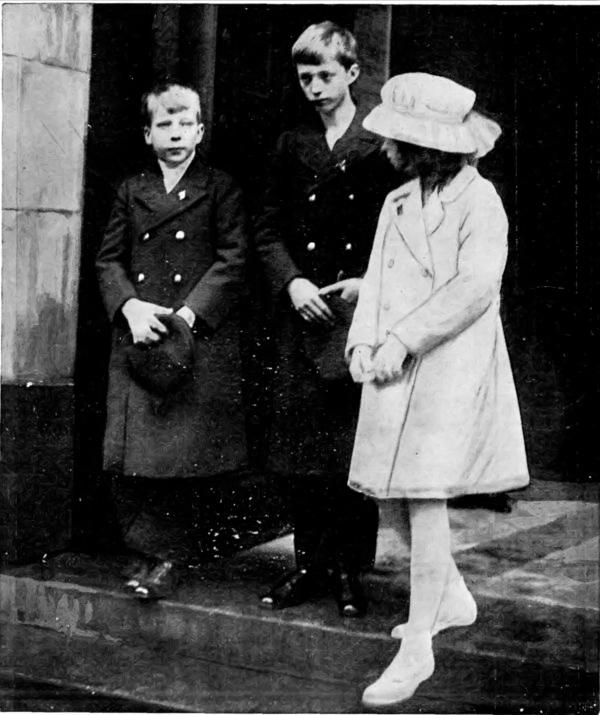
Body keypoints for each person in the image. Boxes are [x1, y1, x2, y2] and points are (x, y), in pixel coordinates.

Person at [345, 73, 530, 705]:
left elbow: (475, 289)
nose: (388, 147)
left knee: (423, 501)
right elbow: (374, 279)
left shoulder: (482, 203)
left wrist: (403, 338)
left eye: (399, 138)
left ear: (434, 146)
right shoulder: (397, 201)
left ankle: (417, 644)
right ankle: (450, 598)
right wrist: (363, 342)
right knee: (388, 495)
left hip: (449, 365)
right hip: (392, 366)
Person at [254, 21, 397, 617]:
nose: (314, 87)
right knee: (299, 446)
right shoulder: (290, 144)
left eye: (325, 75)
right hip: (303, 313)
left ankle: (348, 570)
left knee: (347, 446)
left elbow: (403, 230)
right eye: (305, 76)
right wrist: (292, 281)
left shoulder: (382, 141)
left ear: (354, 74)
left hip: (358, 315)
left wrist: (373, 284)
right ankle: (308, 565)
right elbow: (264, 228)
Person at [96, 82, 248, 600]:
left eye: (186, 123)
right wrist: (130, 306)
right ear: (147, 133)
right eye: (165, 123)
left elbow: (233, 259)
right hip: (141, 336)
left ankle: (168, 557)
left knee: (179, 457)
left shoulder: (220, 187)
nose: (176, 132)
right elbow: (108, 259)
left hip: (190, 339)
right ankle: (145, 551)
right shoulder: (131, 189)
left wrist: (188, 316)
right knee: (136, 456)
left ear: (201, 130)